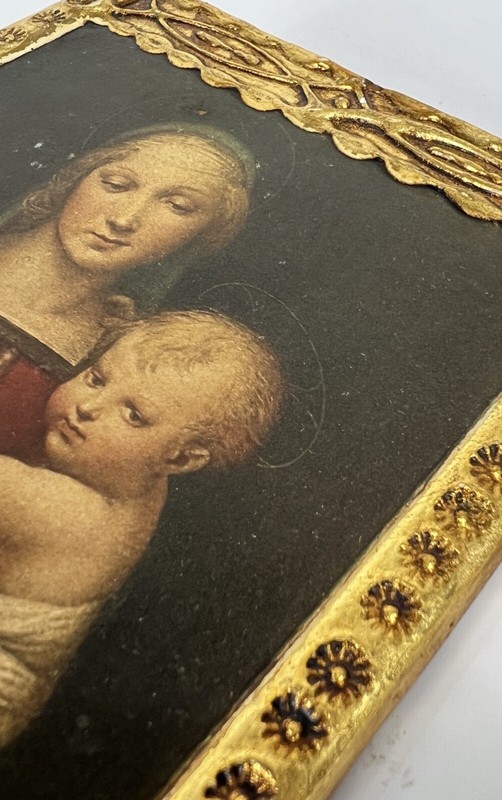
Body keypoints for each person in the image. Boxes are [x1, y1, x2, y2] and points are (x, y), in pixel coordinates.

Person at [0, 310, 283, 748]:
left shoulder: (71, 513)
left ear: (182, 459)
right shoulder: (141, 480)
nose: (87, 407)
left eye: (133, 415)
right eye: (96, 378)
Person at [0, 125, 255, 463]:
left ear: (204, 235)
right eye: (116, 185)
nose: (124, 219)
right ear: (75, 177)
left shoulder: (116, 356)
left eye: (177, 206)